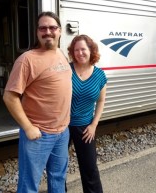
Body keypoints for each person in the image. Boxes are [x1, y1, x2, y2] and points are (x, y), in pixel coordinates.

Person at [3, 11, 72, 193]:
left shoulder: (61, 53)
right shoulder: (27, 60)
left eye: (52, 27)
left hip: (62, 132)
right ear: (37, 32)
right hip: (39, 134)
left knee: (58, 177)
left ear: (59, 31)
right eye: (43, 28)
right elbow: (10, 97)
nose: (47, 31)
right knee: (29, 185)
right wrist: (28, 127)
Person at [67, 34, 107, 193]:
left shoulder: (99, 75)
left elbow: (101, 101)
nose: (80, 53)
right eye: (76, 50)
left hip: (85, 127)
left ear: (91, 50)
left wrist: (94, 125)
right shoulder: (66, 70)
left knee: (89, 167)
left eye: (83, 49)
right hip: (62, 126)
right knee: (58, 167)